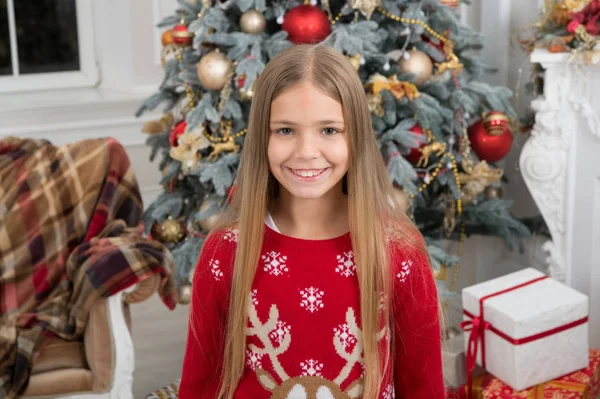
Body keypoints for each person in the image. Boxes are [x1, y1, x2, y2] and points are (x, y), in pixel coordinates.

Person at [179, 44, 444, 399]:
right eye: (286, 130)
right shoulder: (226, 251)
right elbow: (199, 386)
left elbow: (423, 389)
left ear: (356, 138)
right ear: (263, 138)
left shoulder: (398, 252)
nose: (306, 151)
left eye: (330, 130)